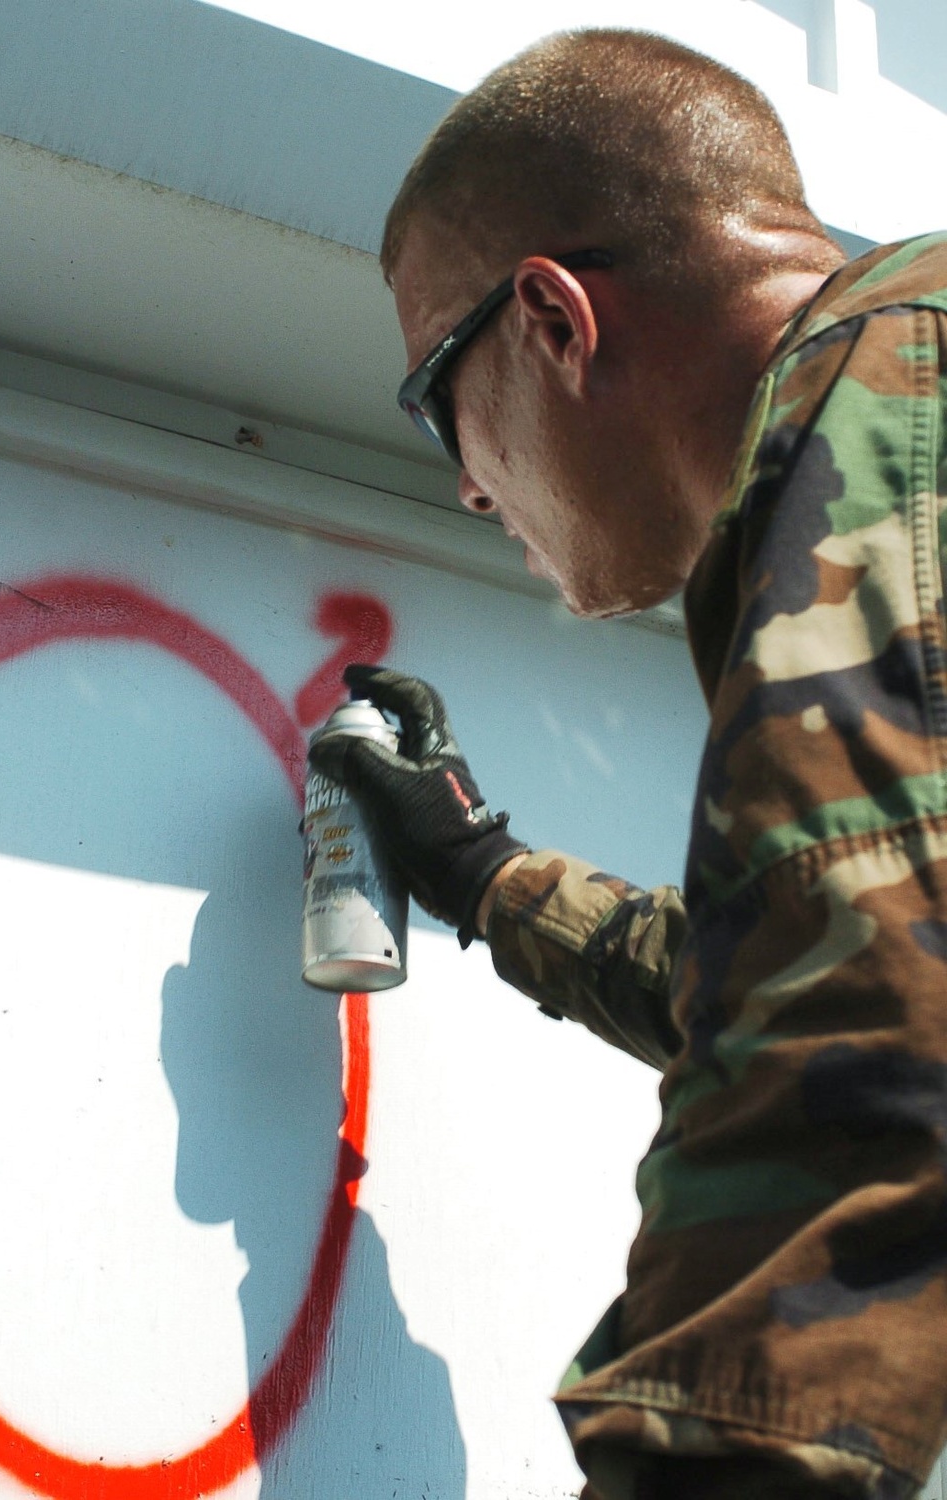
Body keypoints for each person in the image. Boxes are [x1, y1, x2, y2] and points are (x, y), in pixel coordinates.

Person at [309, 27, 947, 1500]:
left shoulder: (883, 386)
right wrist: (486, 877)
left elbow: (873, 1017)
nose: (466, 482)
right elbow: (822, 961)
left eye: (434, 398)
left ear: (550, 318)